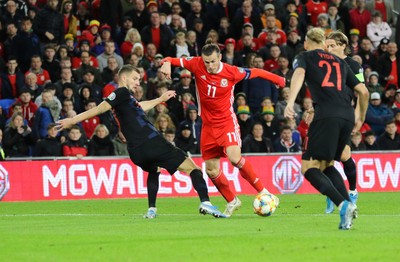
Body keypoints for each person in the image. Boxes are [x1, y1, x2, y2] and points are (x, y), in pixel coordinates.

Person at [55, 64, 225, 219]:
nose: (138, 82)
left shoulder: (126, 99)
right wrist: (73, 120)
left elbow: (140, 106)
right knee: (193, 169)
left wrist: (160, 99)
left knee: (155, 169)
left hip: (136, 152)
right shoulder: (120, 92)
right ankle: (206, 203)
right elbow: (101, 108)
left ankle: (151, 210)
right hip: (151, 141)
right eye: (135, 79)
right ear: (124, 78)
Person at [161, 39, 285, 217]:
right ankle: (232, 200)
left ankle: (265, 191)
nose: (209, 65)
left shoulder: (232, 72)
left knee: (235, 158)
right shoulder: (196, 64)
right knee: (211, 170)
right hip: (208, 127)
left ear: (219, 57)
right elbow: (171, 59)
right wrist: (166, 63)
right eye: (207, 62)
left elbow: (256, 72)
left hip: (226, 122)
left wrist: (278, 79)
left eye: (213, 61)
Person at [284, 27, 369, 230]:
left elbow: (299, 74)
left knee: (309, 167)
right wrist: (361, 118)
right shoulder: (341, 62)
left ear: (306, 42)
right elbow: (363, 91)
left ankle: (343, 205)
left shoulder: (305, 56)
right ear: (324, 43)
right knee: (327, 164)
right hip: (347, 116)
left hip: (326, 115)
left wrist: (290, 102)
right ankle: (347, 204)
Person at [322, 30, 366, 214]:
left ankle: (353, 191)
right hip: (326, 114)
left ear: (343, 45)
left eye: (333, 45)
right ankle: (333, 196)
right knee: (325, 159)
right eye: (327, 46)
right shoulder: (325, 64)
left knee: (344, 156)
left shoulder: (353, 65)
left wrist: (358, 116)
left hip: (344, 113)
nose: (329, 48)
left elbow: (361, 91)